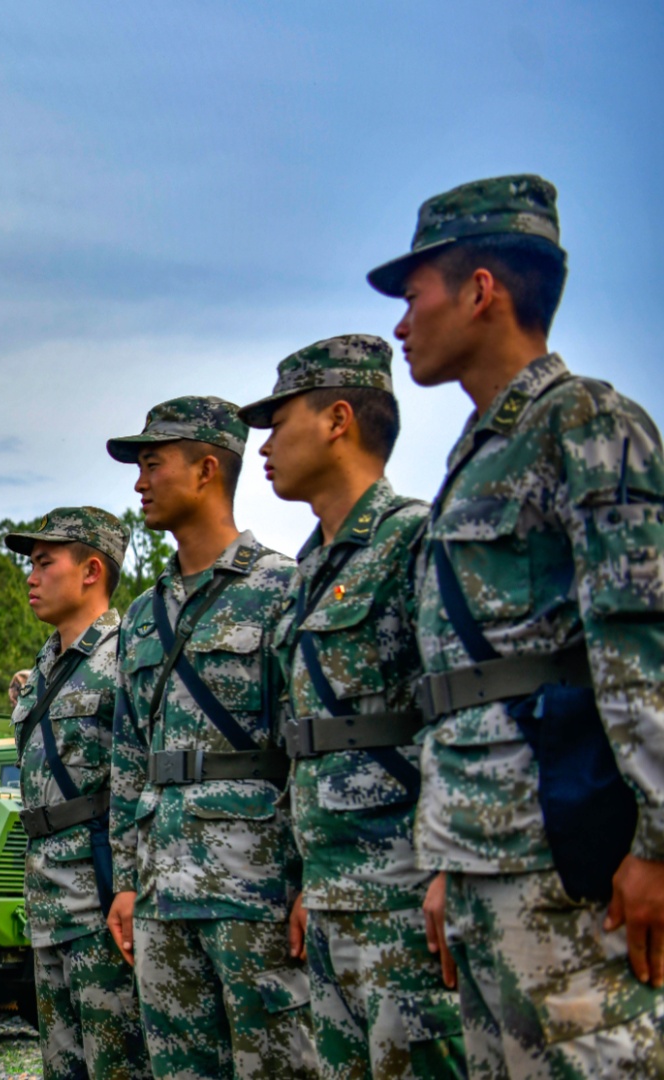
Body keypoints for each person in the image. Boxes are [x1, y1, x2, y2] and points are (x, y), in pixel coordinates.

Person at [371, 174, 664, 1075]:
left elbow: (640, 641)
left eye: (415, 294)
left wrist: (658, 843)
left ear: (482, 290)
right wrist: (447, 856)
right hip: (484, 852)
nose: (401, 323)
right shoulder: (478, 452)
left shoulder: (587, 423)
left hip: (564, 853)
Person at [240, 335, 467, 1078]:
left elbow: (452, 716)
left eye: (279, 421)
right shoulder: (306, 574)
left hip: (407, 899)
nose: (265, 445)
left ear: (339, 419)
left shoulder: (414, 542)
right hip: (333, 901)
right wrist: (308, 883)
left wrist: (447, 870)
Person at [102, 396, 317, 1079]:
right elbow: (129, 757)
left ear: (205, 470)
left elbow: (308, 744)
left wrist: (311, 878)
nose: (139, 483)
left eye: (151, 464)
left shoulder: (285, 588)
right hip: (164, 893)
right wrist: (127, 881)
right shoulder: (141, 617)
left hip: (257, 890)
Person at [6, 507, 153, 1080]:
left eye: (45, 563)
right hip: (46, 895)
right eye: (31, 564)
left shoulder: (123, 659)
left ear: (92, 570)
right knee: (61, 1065)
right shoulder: (44, 666)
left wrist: (131, 884)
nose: (31, 576)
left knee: (116, 1063)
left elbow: (137, 783)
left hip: (102, 899)